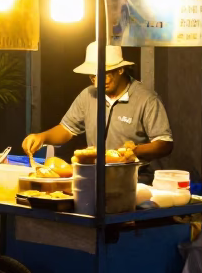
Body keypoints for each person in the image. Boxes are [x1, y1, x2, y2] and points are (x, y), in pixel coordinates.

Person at [22, 44, 173, 183]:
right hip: (95, 177)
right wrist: (42, 137)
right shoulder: (88, 95)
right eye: (92, 76)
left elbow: (164, 143)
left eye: (103, 75)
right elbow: (67, 129)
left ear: (120, 70)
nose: (96, 82)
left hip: (136, 178)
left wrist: (132, 152)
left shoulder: (146, 99)